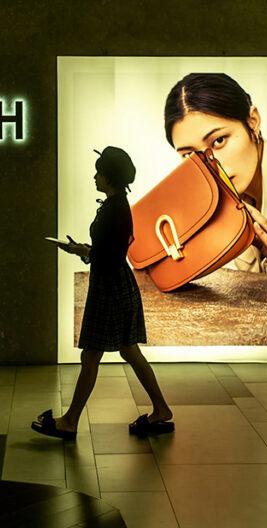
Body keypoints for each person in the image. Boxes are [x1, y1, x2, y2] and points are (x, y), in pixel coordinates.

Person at [31, 146, 174, 440]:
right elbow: (110, 251)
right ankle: (160, 409)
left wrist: (86, 252)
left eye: (99, 172)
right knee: (126, 350)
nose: (95, 177)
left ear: (108, 177)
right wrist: (84, 250)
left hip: (109, 288)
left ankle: (70, 421)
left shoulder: (114, 209)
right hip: (116, 284)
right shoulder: (117, 205)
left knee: (94, 354)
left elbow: (108, 254)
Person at [164, 73, 267, 271]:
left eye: (218, 141)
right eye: (189, 155)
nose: (211, 166)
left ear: (252, 121)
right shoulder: (212, 209)